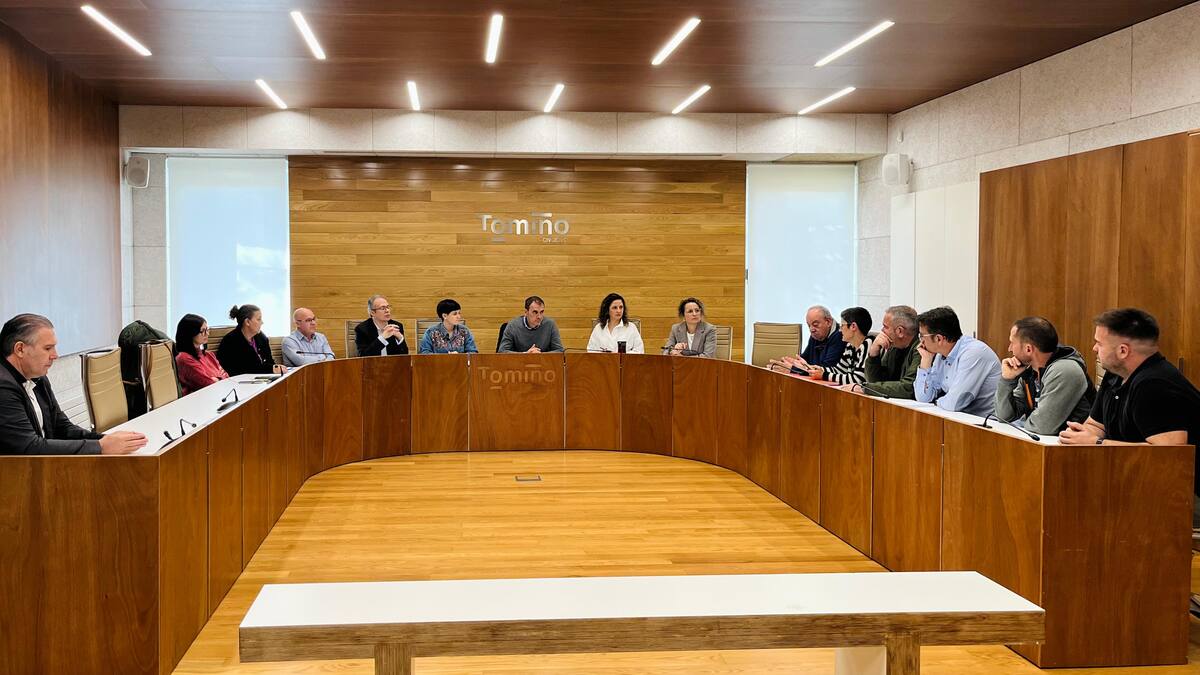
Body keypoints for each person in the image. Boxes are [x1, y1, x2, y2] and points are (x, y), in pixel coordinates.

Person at [0, 313, 147, 455]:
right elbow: (29, 447)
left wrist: (105, 440)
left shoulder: (38, 377)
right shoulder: (4, 387)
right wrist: (100, 447)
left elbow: (63, 428)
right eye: (47, 348)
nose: (55, 355)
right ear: (20, 349)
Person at [1060, 308, 1200, 452]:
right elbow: (1096, 425)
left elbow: (1169, 452)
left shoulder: (1154, 385)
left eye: (1099, 343)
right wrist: (1080, 435)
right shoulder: (1114, 373)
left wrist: (1097, 443)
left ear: (1123, 351)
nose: (1094, 348)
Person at [995, 316, 1093, 434]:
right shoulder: (1030, 371)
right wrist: (1007, 380)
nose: (1009, 349)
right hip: (1050, 442)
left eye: (1012, 343)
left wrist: (1024, 423)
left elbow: (1041, 426)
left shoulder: (1064, 370)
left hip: (1078, 444)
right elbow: (1004, 416)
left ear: (1028, 349)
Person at [913, 306, 1001, 416]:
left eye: (922, 336)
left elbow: (955, 403)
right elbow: (923, 398)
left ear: (939, 339)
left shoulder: (973, 353)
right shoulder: (941, 355)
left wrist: (936, 401)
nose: (920, 341)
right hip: (964, 419)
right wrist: (926, 361)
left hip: (991, 422)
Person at [850, 304, 920, 398]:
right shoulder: (893, 346)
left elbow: (908, 388)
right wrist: (873, 353)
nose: (882, 330)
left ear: (900, 331)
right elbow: (875, 381)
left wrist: (864, 388)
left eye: (885, 327)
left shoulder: (921, 348)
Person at [767, 305, 845, 373]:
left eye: (815, 325)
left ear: (828, 322)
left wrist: (793, 369)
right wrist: (791, 363)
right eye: (809, 325)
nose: (811, 329)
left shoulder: (840, 336)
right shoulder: (816, 335)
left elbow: (825, 369)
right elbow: (805, 359)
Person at [807, 307, 873, 385]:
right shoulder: (850, 346)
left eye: (842, 326)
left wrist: (824, 375)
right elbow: (840, 370)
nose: (840, 330)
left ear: (853, 326)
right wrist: (819, 369)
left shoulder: (868, 344)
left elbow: (858, 379)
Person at [216, 304, 283, 376]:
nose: (262, 322)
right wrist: (270, 369)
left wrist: (277, 369)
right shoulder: (230, 341)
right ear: (247, 322)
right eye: (259, 319)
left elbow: (270, 361)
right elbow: (243, 369)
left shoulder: (261, 337)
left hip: (264, 378)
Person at [173, 313, 229, 396]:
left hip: (218, 395)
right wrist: (217, 378)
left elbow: (226, 376)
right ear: (191, 333)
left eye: (207, 329)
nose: (207, 334)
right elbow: (208, 384)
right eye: (203, 331)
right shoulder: (184, 358)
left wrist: (216, 379)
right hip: (200, 400)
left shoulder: (209, 354)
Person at [498, 296, 563, 353]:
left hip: (543, 361)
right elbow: (502, 351)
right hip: (519, 362)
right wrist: (526, 354)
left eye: (541, 312)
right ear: (526, 312)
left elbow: (559, 350)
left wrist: (540, 355)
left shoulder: (550, 324)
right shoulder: (513, 325)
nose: (539, 316)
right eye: (535, 312)